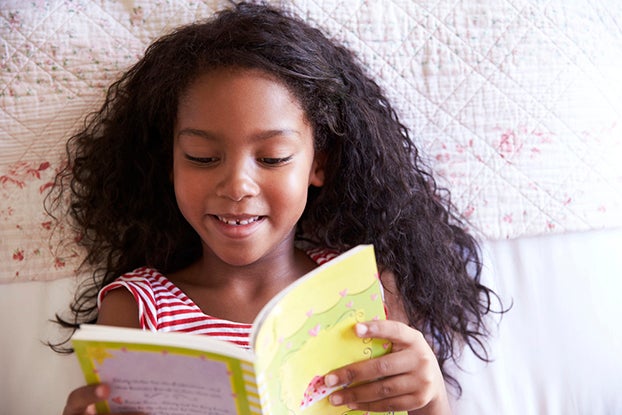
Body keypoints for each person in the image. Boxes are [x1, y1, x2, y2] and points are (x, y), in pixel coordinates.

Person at [48, 2, 502, 414]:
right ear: (168, 163)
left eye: (272, 158)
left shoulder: (367, 291)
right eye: (203, 158)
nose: (237, 185)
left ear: (317, 163)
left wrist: (430, 394)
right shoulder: (138, 309)